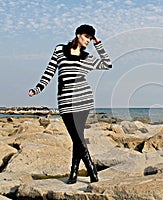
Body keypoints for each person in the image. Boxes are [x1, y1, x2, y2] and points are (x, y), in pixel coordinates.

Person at [28, 24, 112, 184]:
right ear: (78, 34)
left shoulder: (87, 57)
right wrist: (37, 88)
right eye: (87, 36)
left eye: (90, 38)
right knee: (77, 137)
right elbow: (49, 71)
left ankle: (80, 172)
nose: (88, 41)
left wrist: (99, 45)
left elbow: (107, 64)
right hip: (65, 102)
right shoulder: (60, 50)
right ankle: (85, 169)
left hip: (83, 100)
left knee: (77, 137)